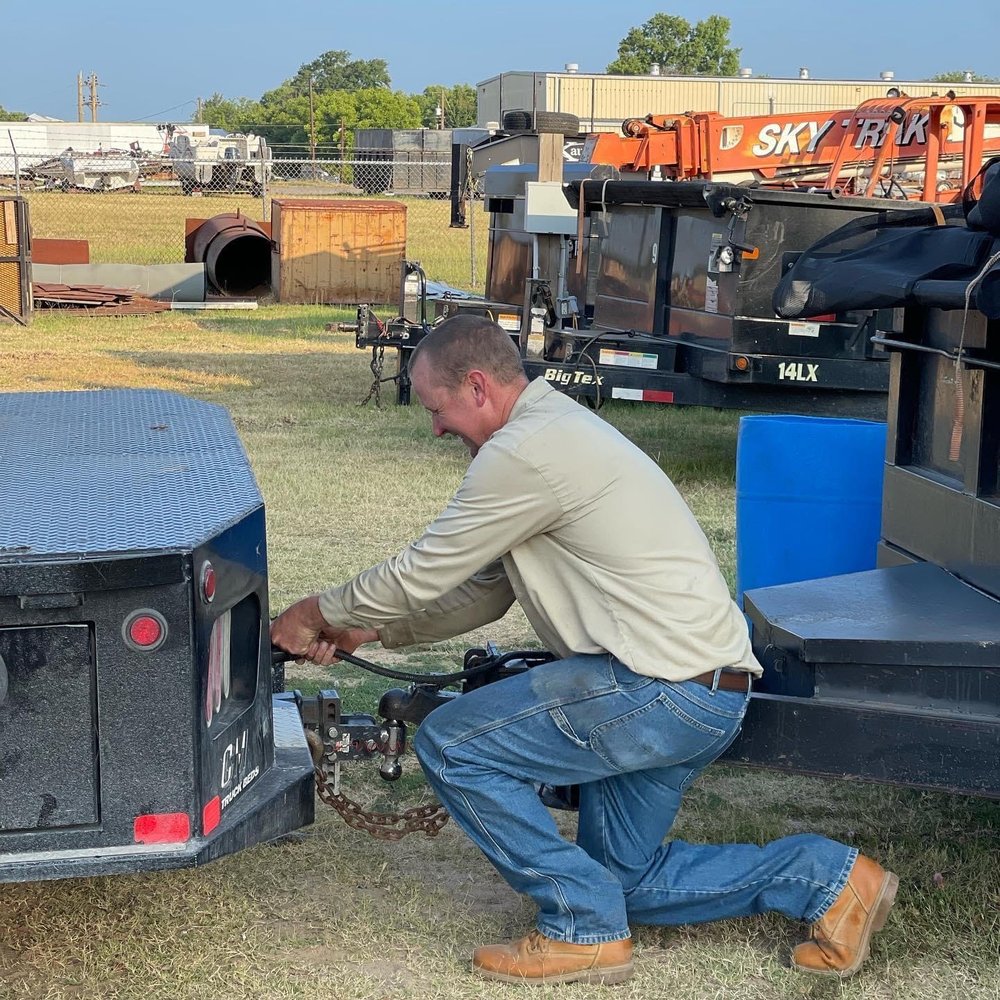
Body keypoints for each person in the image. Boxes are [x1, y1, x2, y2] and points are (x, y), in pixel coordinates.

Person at [270, 316, 898, 986]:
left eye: (436, 409)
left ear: (477, 387)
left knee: (453, 744)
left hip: (656, 689)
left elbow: (423, 570)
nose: (435, 428)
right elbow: (485, 593)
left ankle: (579, 928)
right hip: (705, 690)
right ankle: (832, 881)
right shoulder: (549, 435)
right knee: (621, 883)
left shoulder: (526, 451)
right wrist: (370, 631)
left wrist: (315, 611)